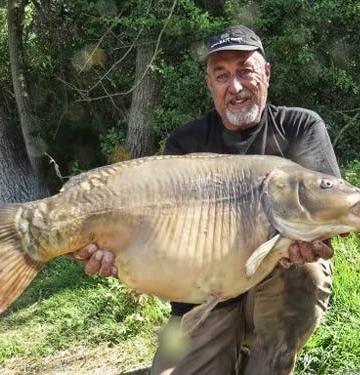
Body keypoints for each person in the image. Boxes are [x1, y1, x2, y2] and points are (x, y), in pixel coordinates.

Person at [71, 25, 339, 374]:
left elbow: (326, 209)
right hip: (202, 298)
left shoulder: (300, 126)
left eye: (245, 71)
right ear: (209, 84)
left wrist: (315, 236)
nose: (236, 86)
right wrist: (115, 253)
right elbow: (159, 241)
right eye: (222, 75)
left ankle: (265, 362)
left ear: (267, 73)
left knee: (305, 267)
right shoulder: (185, 143)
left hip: (276, 283)